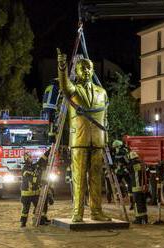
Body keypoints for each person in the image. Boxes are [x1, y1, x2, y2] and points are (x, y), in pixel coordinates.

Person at [57, 49, 111, 222]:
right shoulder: (73, 90)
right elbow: (64, 84)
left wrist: (106, 138)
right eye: (83, 68)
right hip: (79, 140)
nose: (86, 71)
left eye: (89, 68)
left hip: (97, 141)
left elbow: (105, 117)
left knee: (96, 177)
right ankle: (77, 213)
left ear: (92, 71)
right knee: (78, 178)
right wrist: (62, 66)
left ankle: (96, 211)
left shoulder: (102, 92)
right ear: (77, 72)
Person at [20, 150, 52, 227]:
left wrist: (48, 152)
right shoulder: (25, 169)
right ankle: (23, 223)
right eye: (30, 157)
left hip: (35, 193)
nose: (32, 158)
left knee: (40, 206)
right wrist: (42, 181)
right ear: (26, 159)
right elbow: (32, 178)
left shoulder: (33, 166)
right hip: (27, 194)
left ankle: (40, 220)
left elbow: (41, 161)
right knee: (25, 210)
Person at [111, 139, 134, 210]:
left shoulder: (121, 151)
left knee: (118, 183)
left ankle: (121, 194)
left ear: (117, 146)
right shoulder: (125, 150)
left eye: (115, 148)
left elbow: (124, 160)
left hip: (122, 171)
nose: (115, 149)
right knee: (128, 185)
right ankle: (130, 200)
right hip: (125, 170)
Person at [128, 151, 148, 224]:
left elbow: (129, 169)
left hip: (136, 187)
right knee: (143, 203)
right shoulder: (142, 163)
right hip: (143, 187)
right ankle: (145, 219)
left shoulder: (133, 164)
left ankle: (138, 219)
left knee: (137, 204)